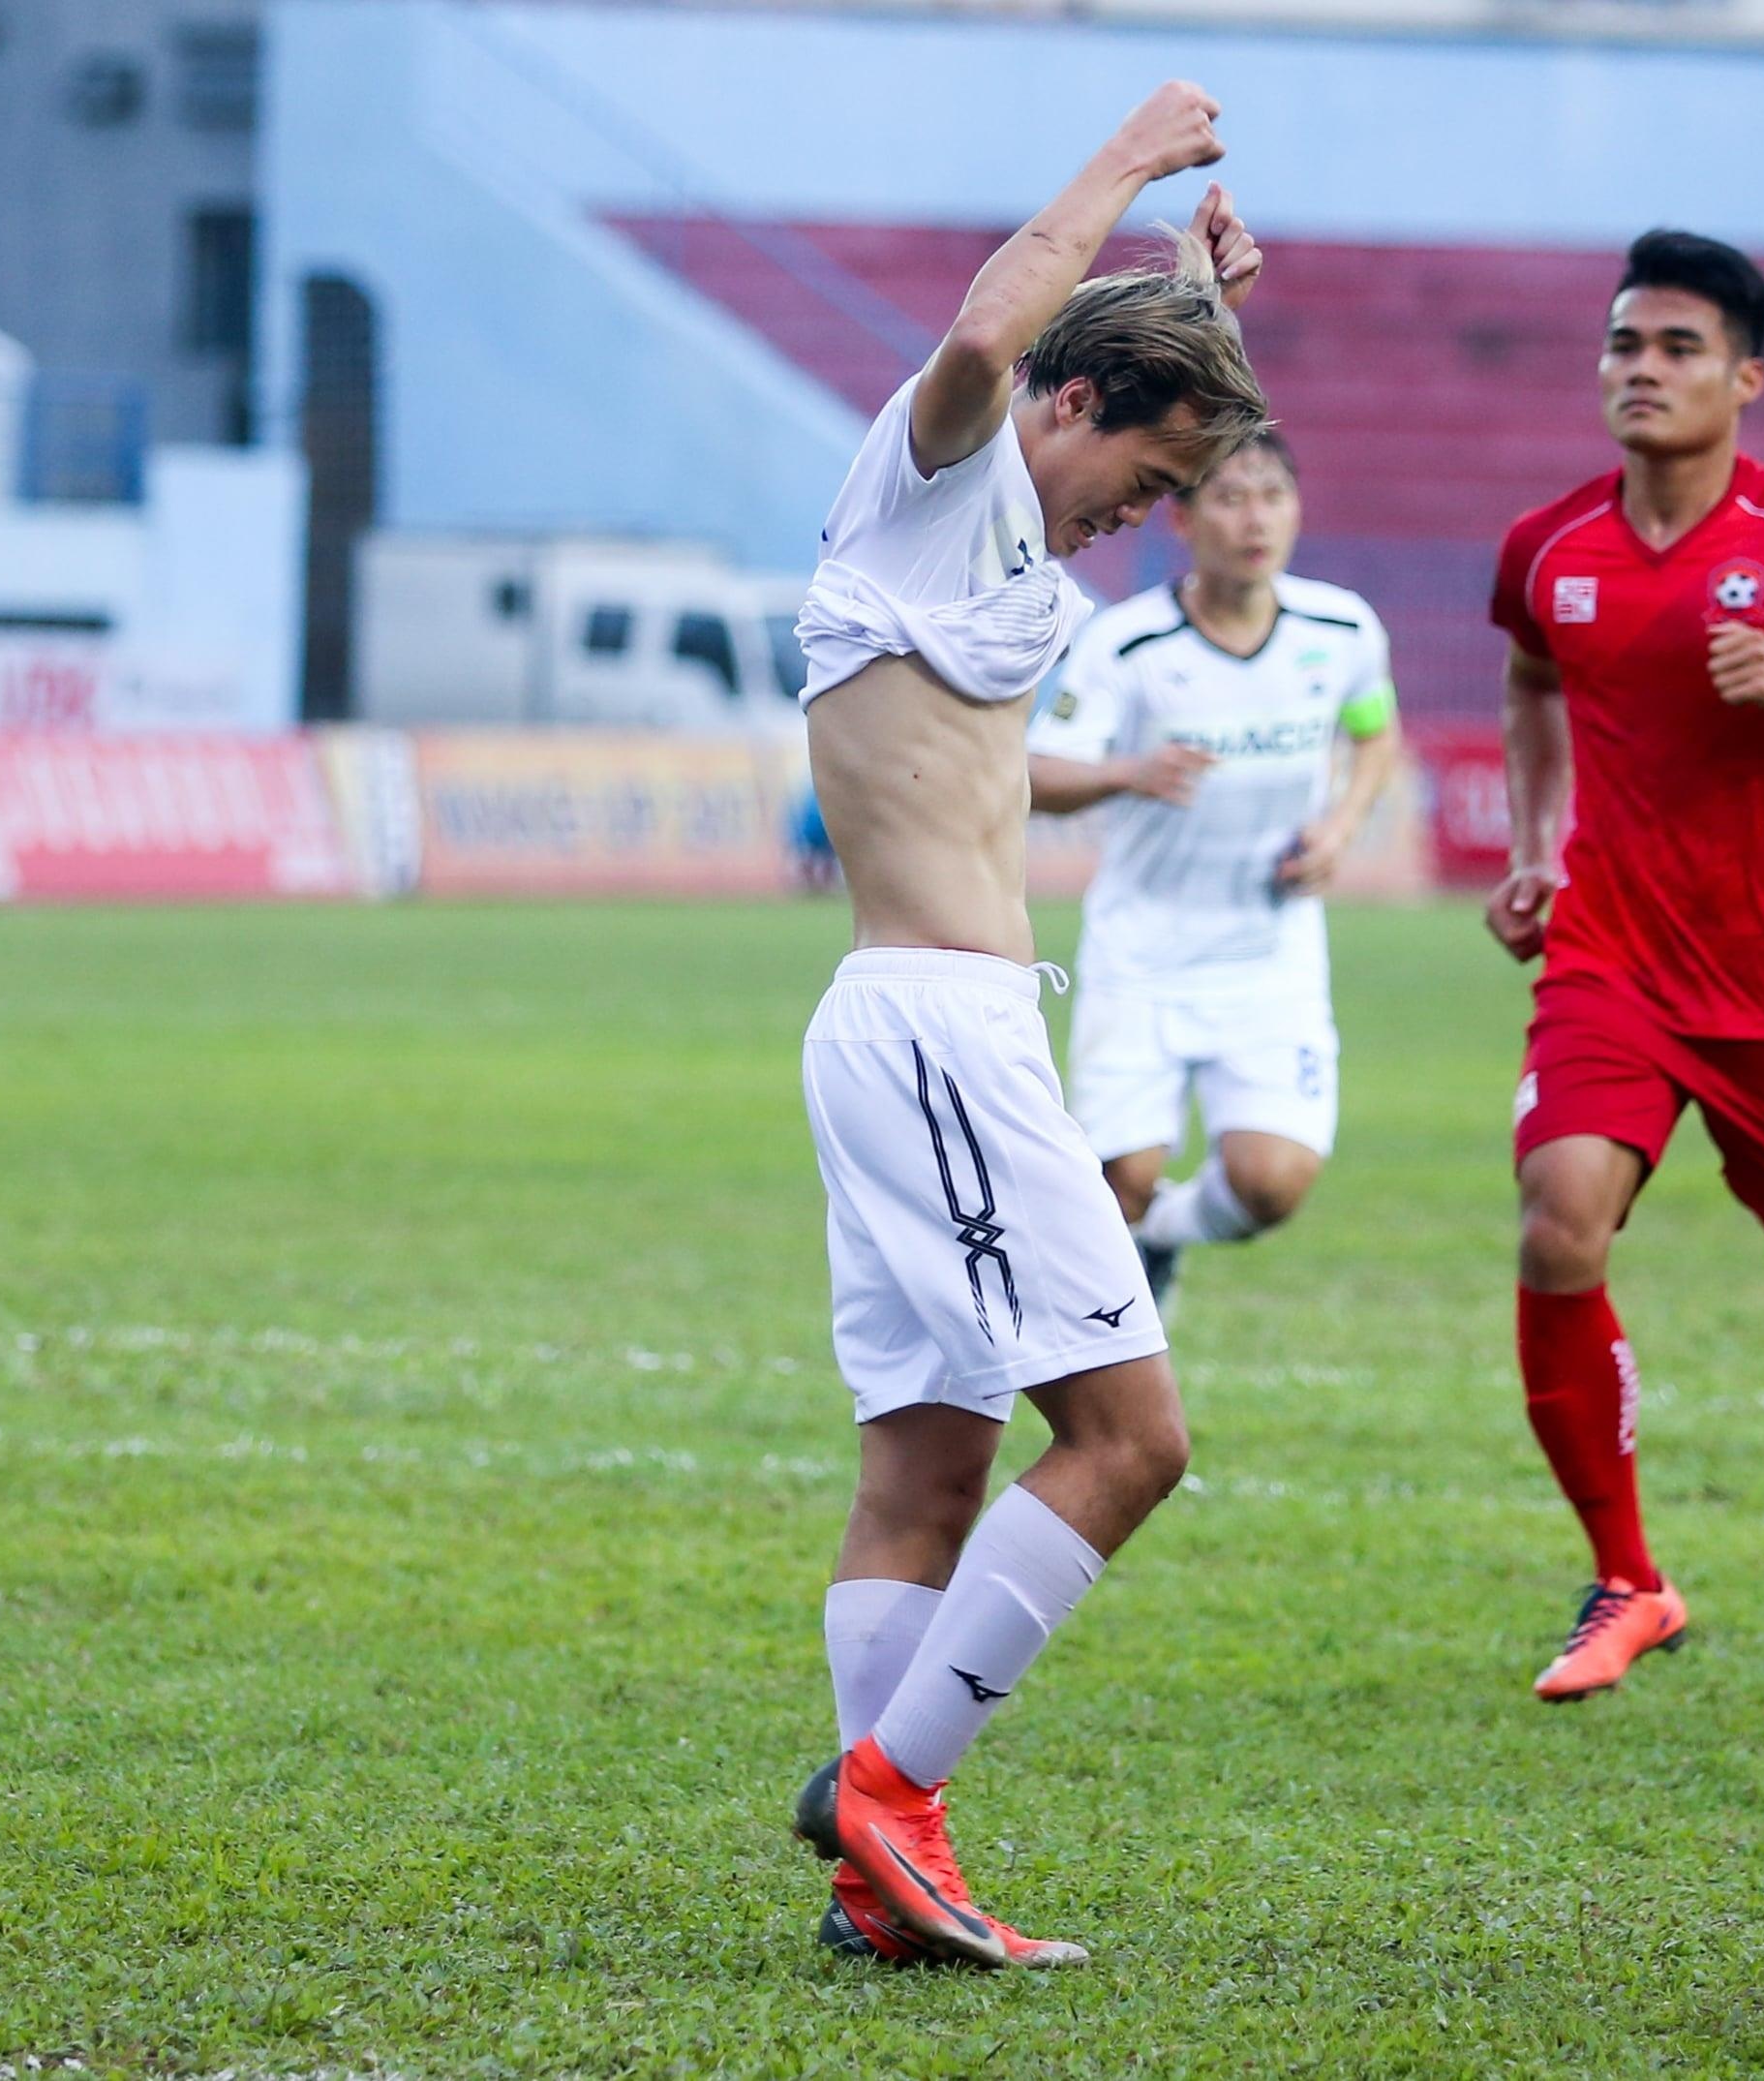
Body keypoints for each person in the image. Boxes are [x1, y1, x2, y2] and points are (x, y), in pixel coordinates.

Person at [780, 82, 1266, 1972]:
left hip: (929, 1032)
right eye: (1136, 485)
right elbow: (1000, 333)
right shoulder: (944, 470)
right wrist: (1135, 157)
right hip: (934, 1039)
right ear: (1069, 407)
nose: (1133, 523)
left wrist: (1203, 307)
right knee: (1133, 1437)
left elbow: (1112, 376)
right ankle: (889, 1792)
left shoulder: (1004, 536)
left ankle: (878, 1874)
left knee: (930, 1467)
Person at [1486, 230, 1764, 1708]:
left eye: (1677, 348)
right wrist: (1533, 846)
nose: (1642, 369)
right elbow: (1530, 679)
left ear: (1744, 378)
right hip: (1608, 961)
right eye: (1624, 343)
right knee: (1557, 1224)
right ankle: (1627, 1578)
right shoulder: (1548, 547)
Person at [1028, 430, 1403, 1312]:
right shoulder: (1127, 645)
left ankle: (1162, 1232)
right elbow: (1037, 774)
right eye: (1230, 497)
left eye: (1272, 495)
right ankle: (1118, 1315)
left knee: (1270, 1185)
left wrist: (1341, 827)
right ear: (1184, 519)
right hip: (1143, 954)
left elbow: (1374, 731)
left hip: (1269, 956)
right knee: (1120, 1179)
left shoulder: (1342, 629)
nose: (1254, 519)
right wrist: (1130, 772)